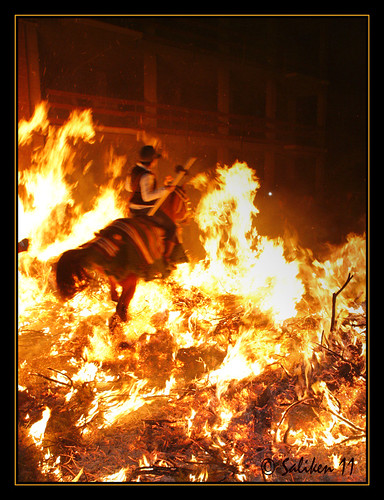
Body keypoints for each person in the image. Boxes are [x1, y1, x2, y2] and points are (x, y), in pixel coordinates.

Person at [126, 145, 177, 266]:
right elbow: (147, 197)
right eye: (155, 159)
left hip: (132, 209)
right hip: (145, 211)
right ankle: (167, 259)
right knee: (172, 227)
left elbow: (128, 187)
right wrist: (165, 190)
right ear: (152, 160)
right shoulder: (147, 175)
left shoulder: (133, 171)